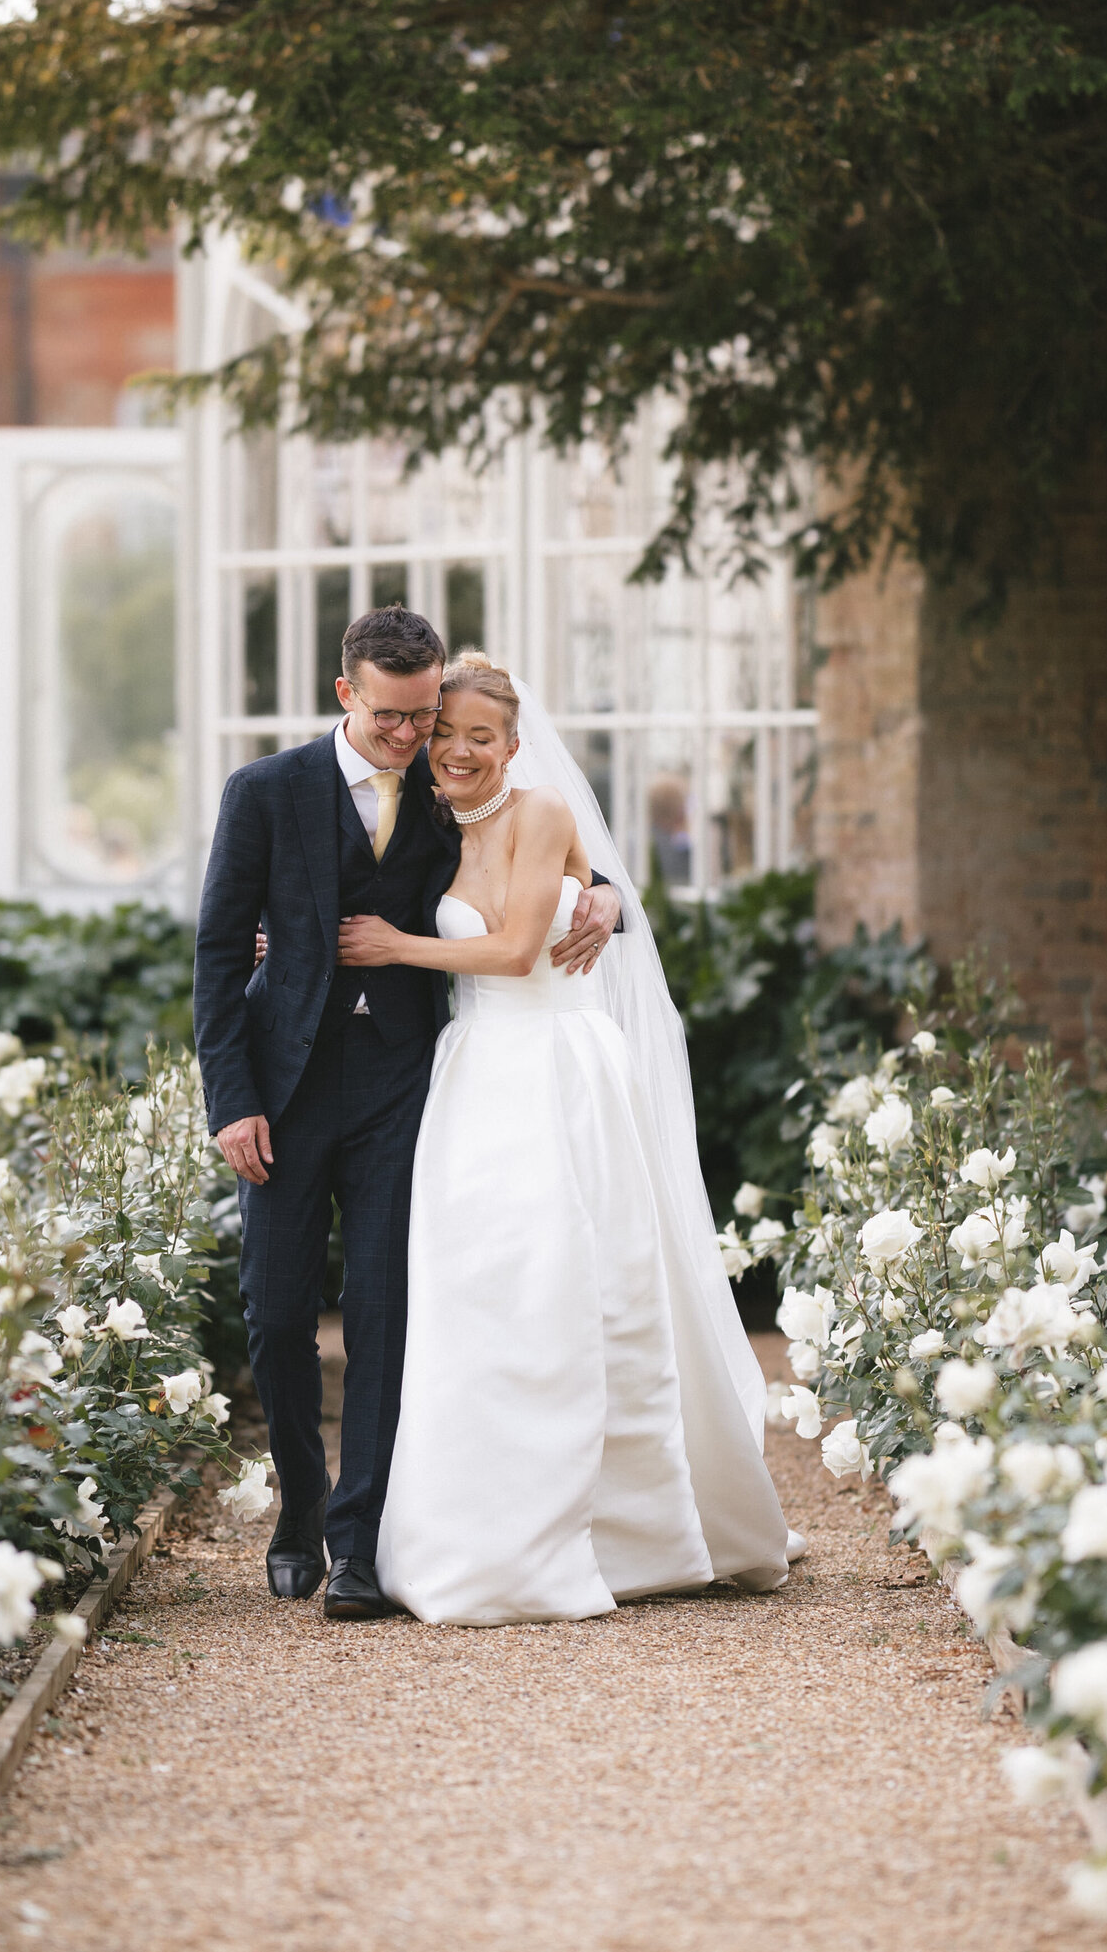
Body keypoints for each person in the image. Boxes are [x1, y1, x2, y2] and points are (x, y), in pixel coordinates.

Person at [338, 652, 794, 1624]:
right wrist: (599, 898)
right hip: (471, 1073)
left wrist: (394, 942)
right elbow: (586, 891)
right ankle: (472, 1531)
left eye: (480, 736)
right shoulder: (422, 819)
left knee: (570, 1284)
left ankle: (617, 1532)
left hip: (549, 1068)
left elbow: (510, 948)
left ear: (512, 743)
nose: (458, 750)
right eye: (445, 731)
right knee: (476, 1295)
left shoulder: (540, 808)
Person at [192, 608, 622, 1620]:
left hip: (403, 1082)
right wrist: (232, 1102)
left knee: (386, 1310)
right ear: (348, 694)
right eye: (392, 716)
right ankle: (298, 1508)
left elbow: (531, 847)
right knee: (279, 1310)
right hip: (285, 1090)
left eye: (425, 714)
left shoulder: (443, 788)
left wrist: (604, 897)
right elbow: (216, 952)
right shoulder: (263, 793)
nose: (412, 737)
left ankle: (359, 1543)